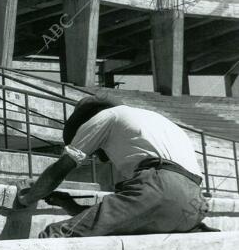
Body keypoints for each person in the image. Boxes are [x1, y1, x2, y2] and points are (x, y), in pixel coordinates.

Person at [16, 94, 216, 238]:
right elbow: (130, 214)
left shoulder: (105, 117)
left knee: (55, 235)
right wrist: (71, 206)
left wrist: (29, 197)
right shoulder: (155, 122)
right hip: (195, 204)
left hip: (159, 187)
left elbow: (62, 167)